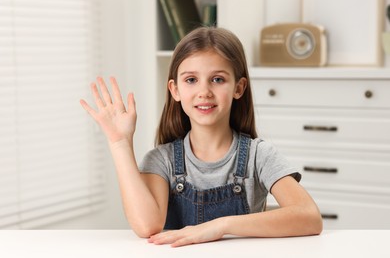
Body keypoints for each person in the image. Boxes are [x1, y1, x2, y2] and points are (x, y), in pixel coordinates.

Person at [80, 26, 323, 247]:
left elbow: (309, 216)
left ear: (239, 88)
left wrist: (221, 226)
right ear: (175, 90)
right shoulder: (161, 160)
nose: (204, 91)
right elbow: (147, 226)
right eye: (191, 80)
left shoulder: (259, 155)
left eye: (217, 79)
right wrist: (120, 143)